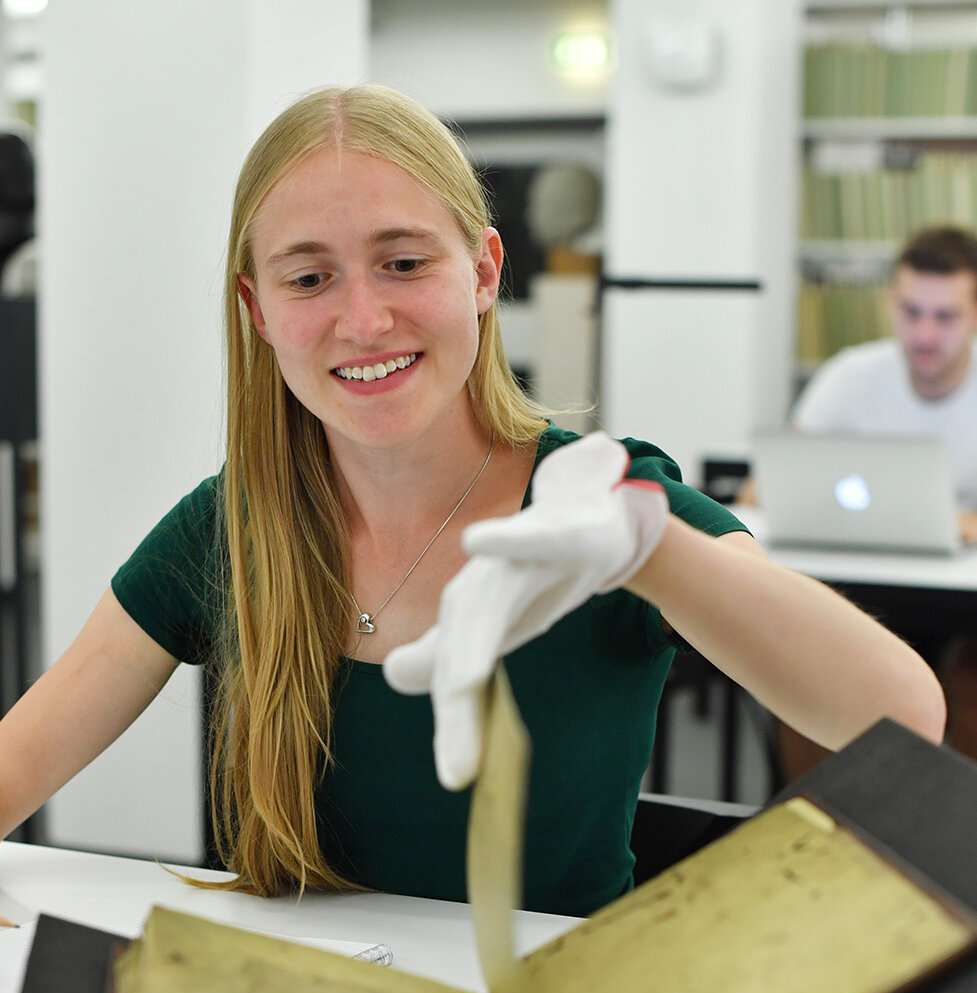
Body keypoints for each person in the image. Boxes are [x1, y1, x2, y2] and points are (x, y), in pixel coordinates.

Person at [0, 84, 945, 919]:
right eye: (308, 277)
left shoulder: (595, 506)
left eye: (404, 262)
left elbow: (900, 715)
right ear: (257, 311)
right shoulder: (228, 528)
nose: (363, 318)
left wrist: (653, 552)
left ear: (484, 274)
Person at [781, 225, 977, 772]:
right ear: (891, 304)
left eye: (946, 316)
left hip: (963, 609)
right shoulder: (850, 375)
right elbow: (768, 485)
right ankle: (822, 834)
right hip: (861, 591)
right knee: (808, 675)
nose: (926, 333)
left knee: (969, 687)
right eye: (912, 312)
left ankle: (952, 846)